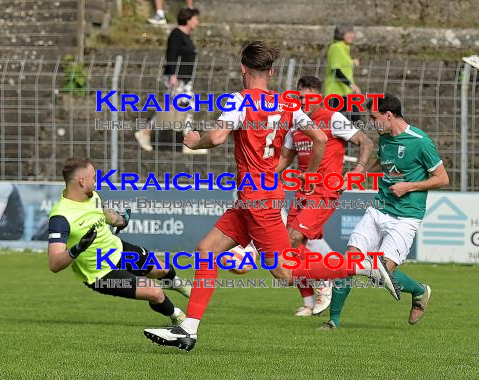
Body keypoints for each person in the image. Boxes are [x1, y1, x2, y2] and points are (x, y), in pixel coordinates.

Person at [143, 41, 400, 352]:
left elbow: (218, 136)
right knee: (206, 249)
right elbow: (319, 137)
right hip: (254, 197)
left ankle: (366, 266)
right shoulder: (288, 104)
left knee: (285, 271)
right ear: (272, 71)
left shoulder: (240, 100)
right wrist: (311, 174)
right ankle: (189, 328)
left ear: (242, 69)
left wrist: (196, 142)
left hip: (257, 198)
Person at [320, 94, 449, 330]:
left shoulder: (420, 141)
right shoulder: (386, 139)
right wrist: (362, 175)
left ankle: (420, 291)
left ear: (389, 115)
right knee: (348, 263)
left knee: (379, 272)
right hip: (378, 210)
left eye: (374, 118)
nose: (372, 123)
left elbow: (442, 178)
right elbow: (383, 161)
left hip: (406, 217)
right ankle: (333, 322)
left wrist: (409, 186)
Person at [47, 157, 191, 326]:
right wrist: (77, 249)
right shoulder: (60, 217)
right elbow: (54, 264)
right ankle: (179, 319)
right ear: (81, 181)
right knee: (155, 292)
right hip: (101, 273)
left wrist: (120, 220)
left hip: (118, 249)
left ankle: (183, 288)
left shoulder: (92, 196)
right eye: (94, 177)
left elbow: (103, 213)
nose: (96, 181)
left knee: (162, 268)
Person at [277, 75, 374, 317]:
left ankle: (324, 278)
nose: (303, 102)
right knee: (290, 249)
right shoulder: (296, 123)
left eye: (309, 98)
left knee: (293, 239)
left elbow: (366, 142)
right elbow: (285, 160)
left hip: (324, 191)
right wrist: (259, 175)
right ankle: (309, 301)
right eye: (300, 97)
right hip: (301, 193)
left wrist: (358, 170)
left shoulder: (332, 118)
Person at [136, 8, 205, 154]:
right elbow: (171, 55)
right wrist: (173, 75)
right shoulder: (177, 34)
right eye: (195, 18)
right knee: (187, 106)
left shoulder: (186, 36)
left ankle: (146, 133)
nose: (197, 22)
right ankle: (187, 143)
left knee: (181, 107)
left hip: (185, 80)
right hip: (176, 79)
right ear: (187, 19)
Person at [324, 22, 361, 122]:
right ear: (342, 34)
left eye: (353, 33)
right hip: (335, 92)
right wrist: (351, 85)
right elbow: (336, 70)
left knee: (352, 119)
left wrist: (352, 62)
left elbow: (342, 63)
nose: (353, 35)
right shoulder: (336, 47)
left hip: (345, 92)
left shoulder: (344, 48)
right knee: (353, 118)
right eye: (349, 33)